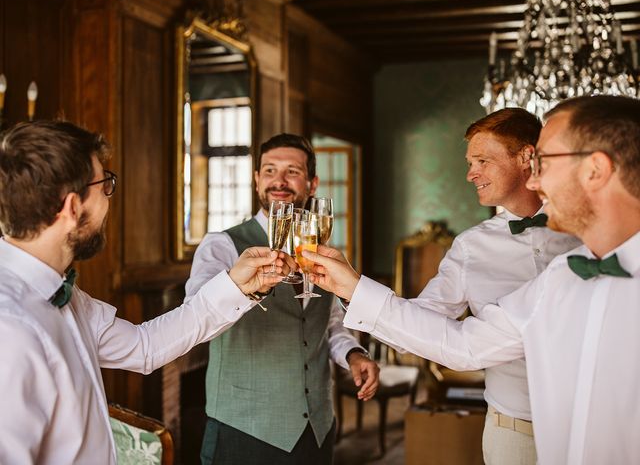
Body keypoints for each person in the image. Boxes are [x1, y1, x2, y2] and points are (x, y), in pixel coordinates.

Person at [306, 95, 640, 464]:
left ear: (595, 169)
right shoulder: (561, 278)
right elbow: (464, 345)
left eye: (545, 161)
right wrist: (352, 288)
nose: (537, 178)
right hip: (518, 428)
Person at [0, 120, 291, 465]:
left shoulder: (64, 292)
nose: (110, 199)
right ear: (72, 208)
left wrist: (236, 285)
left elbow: (144, 347)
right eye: (104, 185)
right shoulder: (10, 330)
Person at [185, 133, 380, 465]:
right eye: (270, 170)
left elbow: (329, 325)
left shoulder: (324, 253)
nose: (280, 180)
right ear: (257, 179)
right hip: (244, 431)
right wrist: (247, 288)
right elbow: (196, 319)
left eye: (292, 171)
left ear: (312, 183)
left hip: (316, 430)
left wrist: (354, 354)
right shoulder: (222, 246)